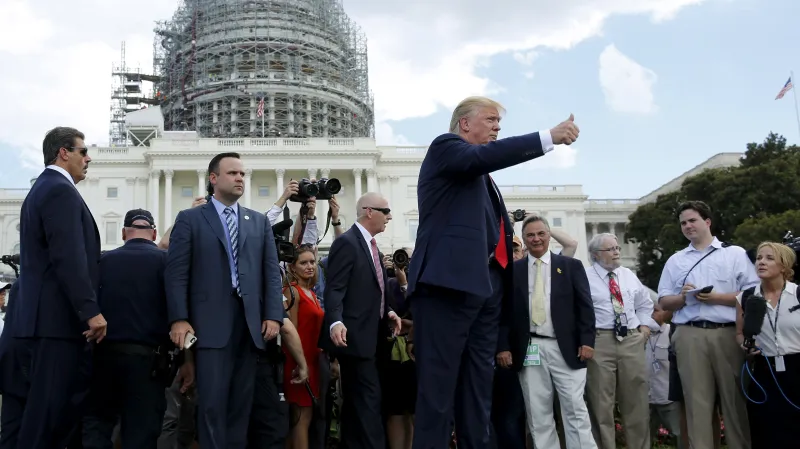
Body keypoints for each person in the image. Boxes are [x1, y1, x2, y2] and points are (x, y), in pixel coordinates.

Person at [406, 96, 580, 448]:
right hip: (446, 287)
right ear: (465, 124)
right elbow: (482, 157)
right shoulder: (446, 148)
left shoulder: (483, 178)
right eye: (491, 120)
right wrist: (549, 137)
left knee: (477, 394)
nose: (498, 128)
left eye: (499, 123)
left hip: (485, 291)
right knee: (438, 395)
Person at [166, 152, 284, 449]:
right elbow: (177, 273)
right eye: (233, 173)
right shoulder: (190, 219)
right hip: (209, 327)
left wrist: (273, 315)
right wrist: (179, 318)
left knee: (240, 409)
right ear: (213, 178)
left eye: (243, 174)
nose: (240, 178)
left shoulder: (257, 222)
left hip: (249, 326)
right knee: (212, 407)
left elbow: (271, 274)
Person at [15, 126, 107, 449]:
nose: (88, 157)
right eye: (83, 151)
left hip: (47, 323)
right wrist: (91, 311)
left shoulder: (45, 189)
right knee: (46, 419)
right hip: (56, 325)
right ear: (63, 153)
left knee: (51, 419)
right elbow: (68, 257)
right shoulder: (58, 190)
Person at [657, 201, 757, 449]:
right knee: (696, 405)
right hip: (689, 335)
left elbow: (753, 294)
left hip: (727, 334)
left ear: (707, 221)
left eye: (692, 220)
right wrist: (682, 297)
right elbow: (663, 301)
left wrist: (717, 298)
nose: (687, 226)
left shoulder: (734, 254)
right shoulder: (676, 260)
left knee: (735, 404)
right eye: (683, 223)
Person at [322, 192, 402, 449]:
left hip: (376, 337)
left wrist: (387, 311)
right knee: (368, 403)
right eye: (385, 211)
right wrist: (335, 321)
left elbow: (373, 289)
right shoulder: (347, 243)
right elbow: (335, 289)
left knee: (360, 405)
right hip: (355, 340)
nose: (389, 217)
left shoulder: (373, 247)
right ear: (369, 211)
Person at [735, 242, 800, 449]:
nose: (761, 262)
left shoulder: (798, 294)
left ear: (784, 266)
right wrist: (745, 346)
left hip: (797, 369)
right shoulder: (745, 297)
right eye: (759, 258)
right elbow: (738, 333)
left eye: (769, 258)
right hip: (764, 372)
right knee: (766, 433)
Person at [283, 243, 325, 449]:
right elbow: (291, 330)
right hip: (298, 361)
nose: (310, 266)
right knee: (301, 418)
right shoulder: (292, 292)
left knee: (304, 419)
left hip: (315, 360)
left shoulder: (312, 293)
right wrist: (300, 363)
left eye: (312, 262)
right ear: (292, 267)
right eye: (304, 263)